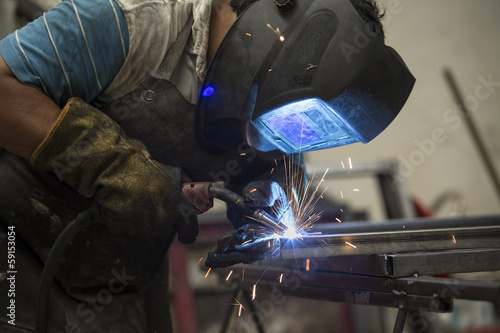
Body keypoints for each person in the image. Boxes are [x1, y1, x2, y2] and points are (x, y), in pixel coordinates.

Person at [0, 0, 387, 331]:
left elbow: (278, 168)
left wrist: (270, 199)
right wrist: (112, 167)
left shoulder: (289, 82)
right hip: (18, 250)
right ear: (263, 27)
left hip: (124, 280)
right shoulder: (134, 20)